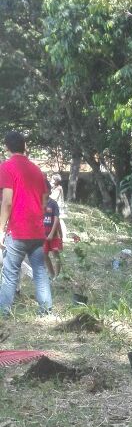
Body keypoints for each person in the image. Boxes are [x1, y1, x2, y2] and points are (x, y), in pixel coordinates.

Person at [0, 131, 52, 321]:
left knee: (10, 273)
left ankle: (4, 313)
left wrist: (0, 230)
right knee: (40, 271)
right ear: (24, 146)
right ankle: (46, 310)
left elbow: (7, 202)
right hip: (37, 230)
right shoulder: (37, 170)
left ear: (7, 147)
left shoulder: (6, 167)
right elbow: (44, 200)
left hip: (17, 230)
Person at [43, 193, 63, 278]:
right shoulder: (39, 202)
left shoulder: (53, 203)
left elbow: (57, 220)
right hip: (43, 235)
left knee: (56, 255)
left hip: (53, 235)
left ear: (49, 191)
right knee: (44, 255)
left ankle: (57, 276)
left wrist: (54, 233)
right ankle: (52, 274)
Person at [49, 174, 67, 241]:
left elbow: (54, 197)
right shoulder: (55, 188)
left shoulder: (58, 188)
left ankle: (64, 236)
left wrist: (47, 195)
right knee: (58, 221)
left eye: (53, 179)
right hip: (56, 207)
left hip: (59, 207)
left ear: (56, 181)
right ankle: (60, 235)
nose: (51, 180)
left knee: (60, 221)